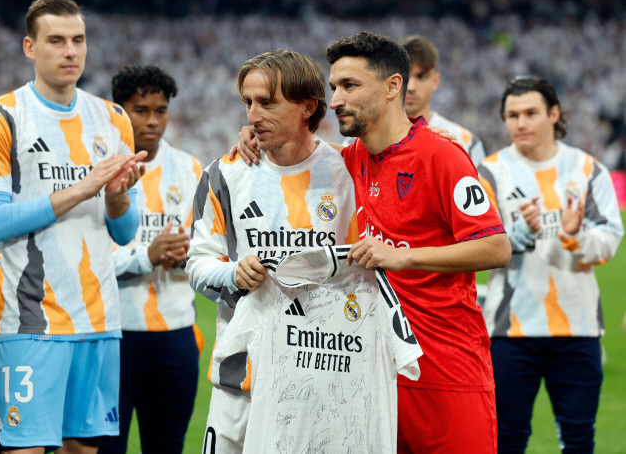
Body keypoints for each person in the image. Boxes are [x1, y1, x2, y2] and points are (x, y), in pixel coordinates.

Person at [0, 0, 145, 454]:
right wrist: (83, 189)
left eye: (78, 40)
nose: (71, 51)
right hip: (31, 319)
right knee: (24, 449)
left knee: (82, 450)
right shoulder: (1, 116)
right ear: (30, 47)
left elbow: (125, 232)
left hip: (98, 317)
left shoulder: (113, 119)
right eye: (57, 41)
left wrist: (117, 195)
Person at [326, 31, 511, 453]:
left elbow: (496, 247)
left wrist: (402, 258)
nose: (335, 99)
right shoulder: (346, 160)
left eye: (350, 86)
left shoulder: (442, 156)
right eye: (334, 86)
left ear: (393, 86)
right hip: (372, 369)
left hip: (445, 368)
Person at [186, 49, 360, 454]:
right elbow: (196, 262)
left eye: (267, 102)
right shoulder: (224, 174)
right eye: (248, 102)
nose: (252, 115)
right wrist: (232, 274)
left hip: (325, 375)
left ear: (308, 106)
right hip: (239, 380)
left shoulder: (349, 171)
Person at [477, 76, 624, 454]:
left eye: (530, 113)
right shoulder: (489, 173)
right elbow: (475, 245)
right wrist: (520, 232)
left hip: (578, 326)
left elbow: (608, 242)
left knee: (578, 439)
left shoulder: (588, 170)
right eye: (511, 115)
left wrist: (573, 235)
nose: (520, 123)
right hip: (510, 331)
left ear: (554, 114)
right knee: (506, 438)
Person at [98, 65, 203, 454]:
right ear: (119, 110)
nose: (153, 120)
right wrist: (148, 255)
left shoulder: (190, 169)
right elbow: (90, 261)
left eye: (160, 110)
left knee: (167, 446)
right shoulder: (98, 172)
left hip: (175, 334)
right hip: (113, 333)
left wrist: (185, 256)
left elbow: (207, 249)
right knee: (108, 447)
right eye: (141, 109)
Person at [341, 35, 486, 167]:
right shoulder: (360, 142)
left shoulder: (467, 143)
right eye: (406, 77)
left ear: (436, 81)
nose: (411, 87)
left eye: (421, 77)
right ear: (392, 81)